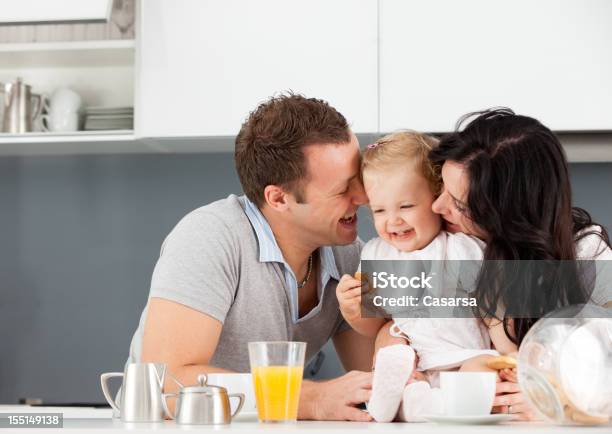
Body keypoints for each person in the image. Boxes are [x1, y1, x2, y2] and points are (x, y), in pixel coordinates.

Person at [124, 93, 376, 421]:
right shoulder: (209, 236)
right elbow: (167, 384)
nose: (363, 196)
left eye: (359, 180)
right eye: (343, 190)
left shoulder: (349, 253)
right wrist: (311, 398)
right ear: (279, 198)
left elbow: (379, 372)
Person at [428, 108, 612, 420]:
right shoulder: (452, 249)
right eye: (440, 188)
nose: (436, 206)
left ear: (508, 215)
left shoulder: (588, 256)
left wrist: (563, 399)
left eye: (459, 204)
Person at [335, 131, 502, 422]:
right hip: (416, 364)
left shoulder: (463, 248)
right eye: (379, 210)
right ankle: (399, 396)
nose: (393, 220)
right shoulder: (377, 254)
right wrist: (352, 310)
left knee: (483, 366)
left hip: (462, 357)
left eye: (406, 206)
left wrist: (508, 355)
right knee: (391, 344)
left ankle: (428, 404)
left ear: (436, 197)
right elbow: (373, 324)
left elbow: (494, 312)